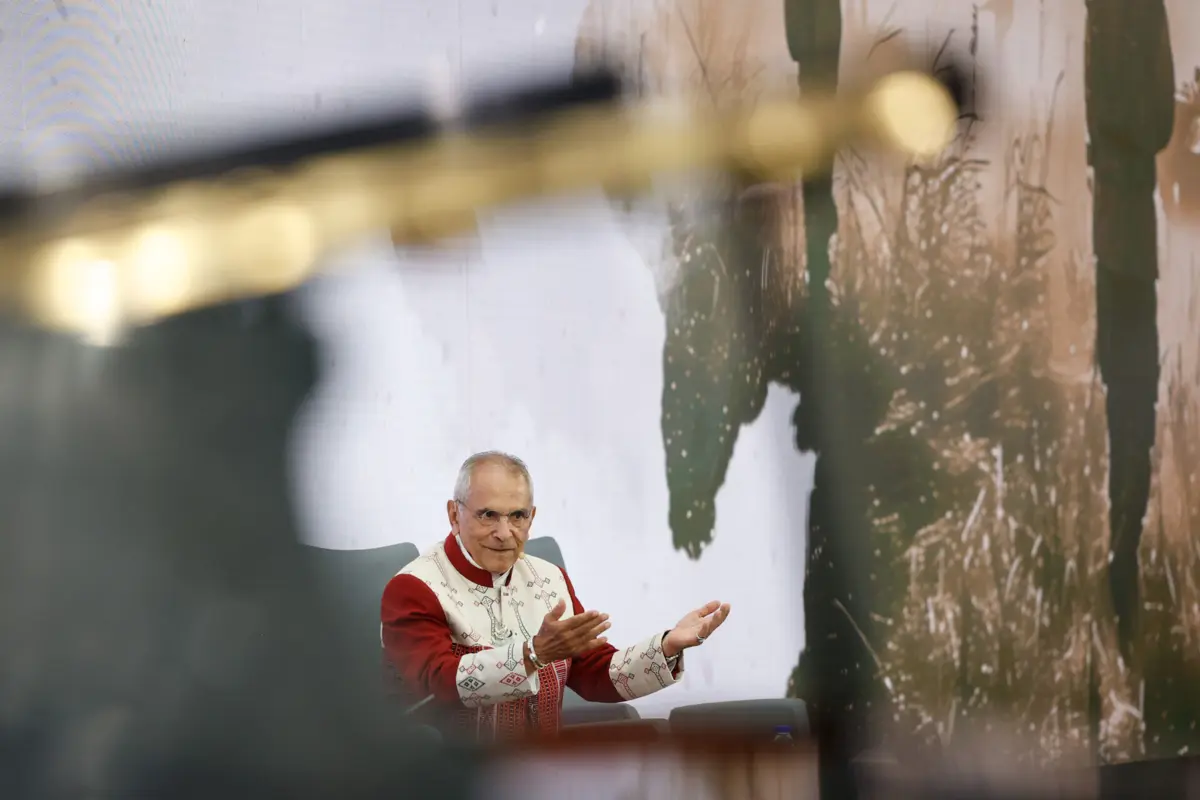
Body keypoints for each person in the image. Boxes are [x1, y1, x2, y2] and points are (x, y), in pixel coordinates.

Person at [380, 451, 731, 741]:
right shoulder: (414, 587)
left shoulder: (548, 578)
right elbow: (439, 682)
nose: (505, 533)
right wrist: (534, 654)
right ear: (454, 515)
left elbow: (593, 673)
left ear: (532, 518)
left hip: (543, 777)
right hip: (450, 779)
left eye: (517, 516)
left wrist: (667, 645)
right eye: (488, 515)